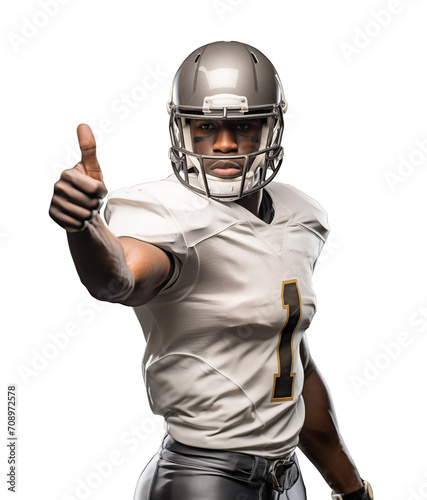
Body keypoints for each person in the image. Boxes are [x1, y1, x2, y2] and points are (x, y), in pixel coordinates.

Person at [49, 41, 374, 499]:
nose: (224, 144)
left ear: (272, 127)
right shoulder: (166, 215)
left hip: (288, 477)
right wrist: (84, 227)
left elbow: (291, 360)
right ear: (181, 129)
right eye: (205, 127)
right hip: (203, 480)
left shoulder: (301, 216)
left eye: (243, 126)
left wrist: (351, 488)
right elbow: (119, 277)